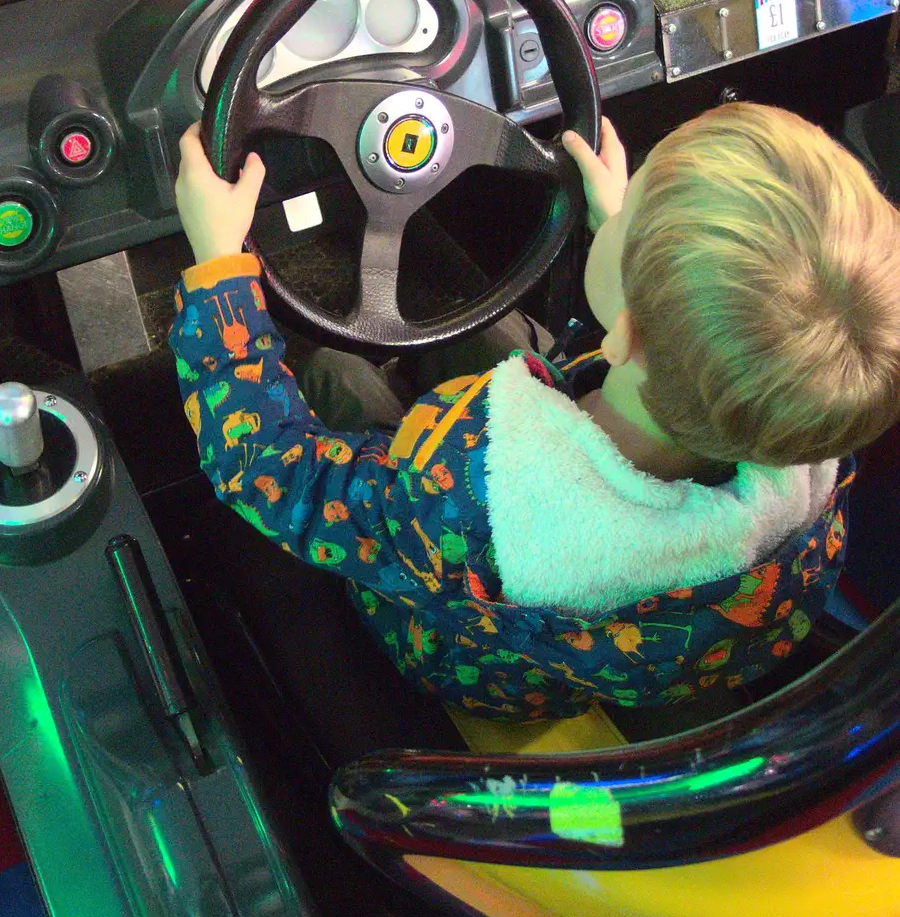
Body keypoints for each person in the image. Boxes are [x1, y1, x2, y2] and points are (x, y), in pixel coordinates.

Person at [169, 103, 900, 719]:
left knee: (336, 372)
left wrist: (218, 269)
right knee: (481, 331)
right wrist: (629, 246)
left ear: (628, 332)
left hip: (458, 649)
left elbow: (265, 468)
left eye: (629, 208)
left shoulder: (456, 499)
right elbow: (665, 356)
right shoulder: (806, 440)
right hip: (580, 656)